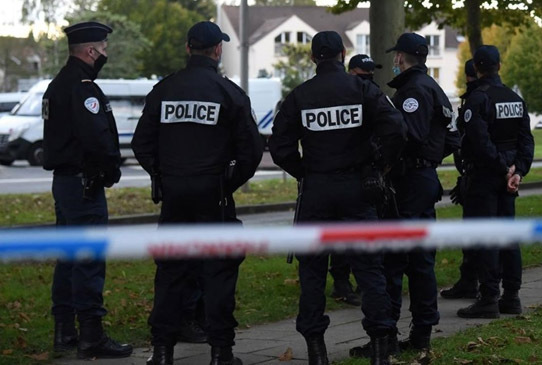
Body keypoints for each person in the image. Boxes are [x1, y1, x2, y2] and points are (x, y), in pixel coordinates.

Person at [269, 30, 407, 365]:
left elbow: (279, 146)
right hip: (357, 190)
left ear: (314, 57)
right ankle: (379, 348)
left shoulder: (300, 96)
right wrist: (380, 166)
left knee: (313, 272)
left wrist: (304, 171)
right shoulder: (362, 89)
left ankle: (317, 350)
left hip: (316, 191)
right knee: (369, 269)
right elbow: (397, 130)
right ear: (344, 54)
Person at [132, 21, 263, 365]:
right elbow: (251, 151)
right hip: (214, 196)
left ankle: (162, 351)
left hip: (175, 196)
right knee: (218, 272)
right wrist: (227, 183)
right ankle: (221, 352)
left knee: (171, 272)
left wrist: (164, 175)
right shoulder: (229, 93)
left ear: (188, 49)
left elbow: (141, 144)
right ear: (218, 51)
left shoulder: (164, 90)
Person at [351, 32, 458, 358]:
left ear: (400, 57)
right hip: (422, 179)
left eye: (396, 56)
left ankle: (387, 335)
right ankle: (421, 333)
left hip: (408, 182)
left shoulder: (413, 92)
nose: (394, 61)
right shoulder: (434, 89)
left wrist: (382, 162)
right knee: (421, 260)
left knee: (395, 261)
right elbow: (453, 139)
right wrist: (431, 160)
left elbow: (405, 135)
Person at [42, 21, 133, 360]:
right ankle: (91, 335)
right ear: (91, 51)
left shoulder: (57, 84)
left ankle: (65, 331)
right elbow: (97, 139)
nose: (105, 54)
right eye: (104, 48)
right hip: (83, 186)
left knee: (68, 258)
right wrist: (111, 170)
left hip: (65, 184)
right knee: (88, 260)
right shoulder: (82, 88)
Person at [456, 45, 534, 319]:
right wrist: (518, 171)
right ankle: (511, 296)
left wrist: (502, 169)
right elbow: (526, 139)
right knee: (508, 235)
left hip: (485, 177)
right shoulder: (514, 98)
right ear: (499, 66)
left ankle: (488, 297)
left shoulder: (478, 99)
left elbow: (479, 141)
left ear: (476, 68)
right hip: (508, 176)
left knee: (488, 236)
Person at [325, 53, 385, 308]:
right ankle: (342, 282)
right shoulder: (342, 95)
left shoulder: (372, 96)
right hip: (339, 176)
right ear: (350, 73)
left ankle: (361, 282)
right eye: (363, 76)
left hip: (366, 175)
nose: (368, 81)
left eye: (371, 76)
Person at [440, 59, 481, 300]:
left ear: (468, 76)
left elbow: (470, 142)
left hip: (480, 177)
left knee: (476, 234)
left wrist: (468, 175)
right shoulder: (504, 96)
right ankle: (473, 283)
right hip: (489, 175)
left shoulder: (475, 101)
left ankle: (478, 286)